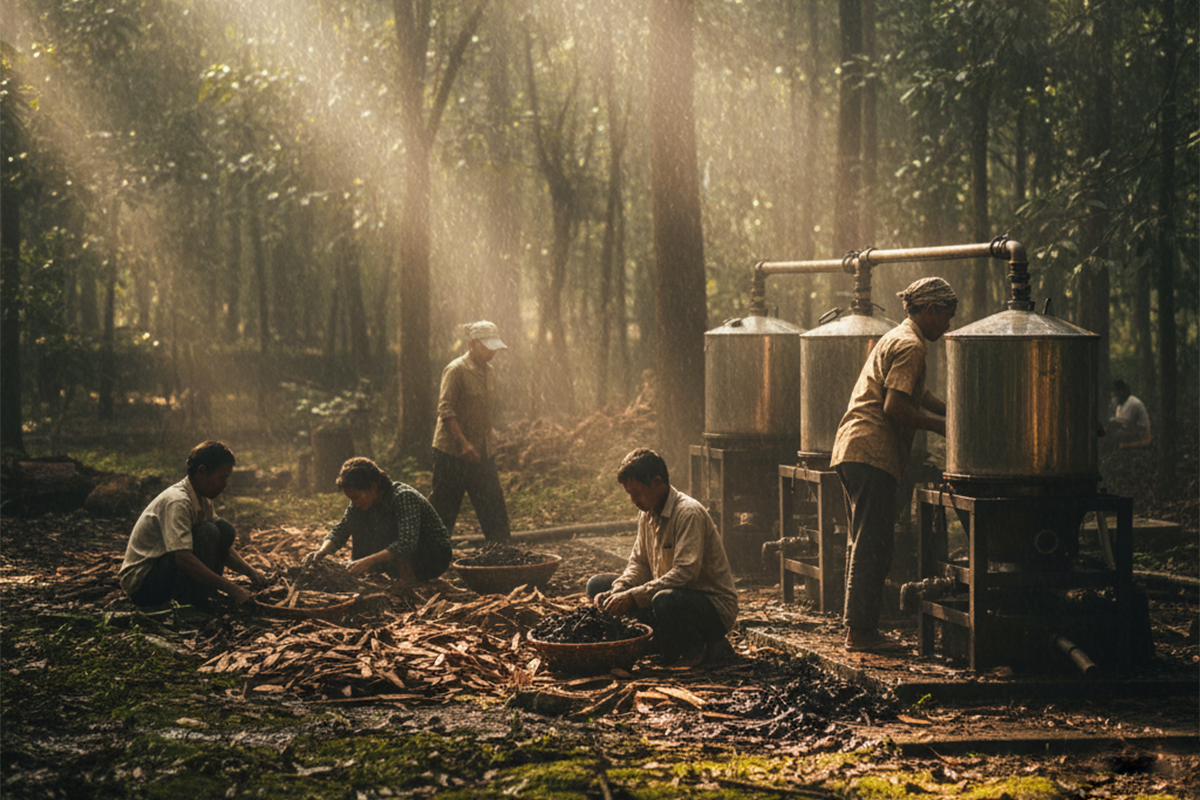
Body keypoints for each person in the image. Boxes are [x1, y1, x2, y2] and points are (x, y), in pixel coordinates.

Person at [830, 276, 957, 653]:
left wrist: (953, 412)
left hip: (854, 449)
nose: (947, 325)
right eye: (946, 317)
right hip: (872, 451)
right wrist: (946, 429)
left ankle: (857, 627)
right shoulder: (911, 346)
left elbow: (916, 392)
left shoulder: (898, 337)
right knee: (873, 544)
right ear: (931, 310)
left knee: (863, 541)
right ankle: (861, 633)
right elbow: (895, 406)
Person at [587, 448, 739, 668]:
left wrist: (632, 596)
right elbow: (639, 563)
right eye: (629, 493)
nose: (633, 500)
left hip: (707, 606)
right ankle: (658, 639)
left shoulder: (688, 513)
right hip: (665, 596)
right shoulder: (646, 513)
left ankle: (702, 646)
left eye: (637, 492)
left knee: (665, 599)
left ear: (657, 482)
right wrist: (619, 589)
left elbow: (685, 574)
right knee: (598, 586)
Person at [119, 440, 268, 609]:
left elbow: (221, 548)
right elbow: (183, 559)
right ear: (202, 471)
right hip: (144, 585)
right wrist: (232, 589)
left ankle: (205, 594)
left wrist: (251, 572)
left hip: (164, 570)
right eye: (222, 478)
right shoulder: (178, 502)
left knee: (223, 530)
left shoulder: (202, 497)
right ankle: (195, 600)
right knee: (208, 531)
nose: (225, 485)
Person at [304, 457, 452, 584]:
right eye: (351, 499)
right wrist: (321, 552)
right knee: (358, 519)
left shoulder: (403, 496)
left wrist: (367, 561)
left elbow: (407, 543)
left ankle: (408, 581)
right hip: (402, 558)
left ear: (373, 486)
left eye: (356, 497)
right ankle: (371, 571)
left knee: (389, 526)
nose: (354, 502)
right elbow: (342, 528)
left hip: (432, 557)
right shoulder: (362, 503)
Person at [429, 320, 512, 543]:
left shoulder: (490, 373)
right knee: (443, 511)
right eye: (486, 347)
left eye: (494, 348)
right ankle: (430, 560)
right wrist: (463, 443)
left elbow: (484, 410)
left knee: (493, 507)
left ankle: (501, 554)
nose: (491, 353)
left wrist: (490, 438)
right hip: (452, 453)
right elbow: (445, 409)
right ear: (471, 344)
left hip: (482, 451)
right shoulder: (456, 370)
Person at [1109, 379, 1152, 447]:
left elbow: (1127, 423)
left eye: (1115, 391)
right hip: (1130, 431)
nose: (1114, 394)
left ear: (1121, 391)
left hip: (1140, 434)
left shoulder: (1133, 403)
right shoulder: (1120, 406)